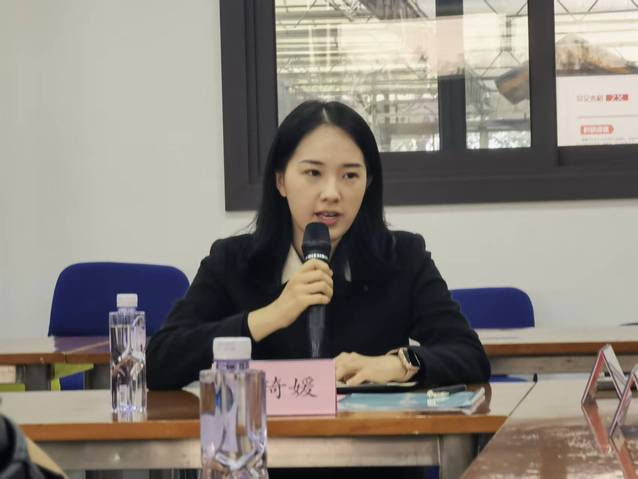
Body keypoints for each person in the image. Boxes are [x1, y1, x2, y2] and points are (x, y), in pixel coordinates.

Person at [147, 100, 490, 391]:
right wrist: (269, 316)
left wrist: (399, 364)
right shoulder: (232, 261)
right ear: (281, 181)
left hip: (370, 445)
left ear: (368, 184)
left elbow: (468, 354)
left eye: (350, 175)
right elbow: (161, 362)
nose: (331, 193)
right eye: (313, 173)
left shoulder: (402, 257)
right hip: (267, 446)